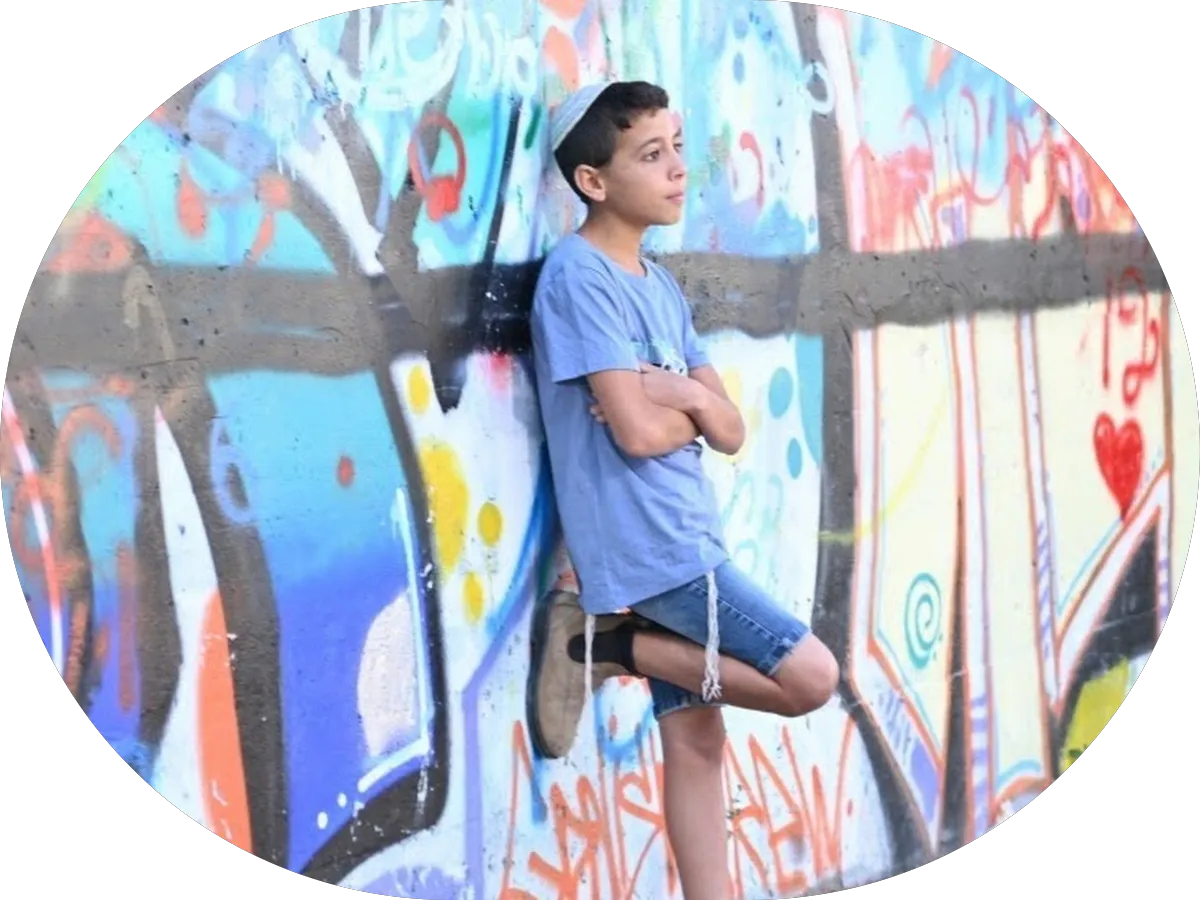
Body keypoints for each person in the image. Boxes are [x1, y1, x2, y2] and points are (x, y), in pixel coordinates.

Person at [526, 79, 840, 900]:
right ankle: (606, 647)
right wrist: (686, 407)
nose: (677, 170)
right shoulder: (579, 278)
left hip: (684, 532)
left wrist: (686, 399)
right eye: (650, 155)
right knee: (809, 677)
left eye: (676, 149)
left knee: (699, 745)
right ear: (593, 181)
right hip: (652, 547)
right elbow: (634, 431)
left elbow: (729, 429)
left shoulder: (657, 286)